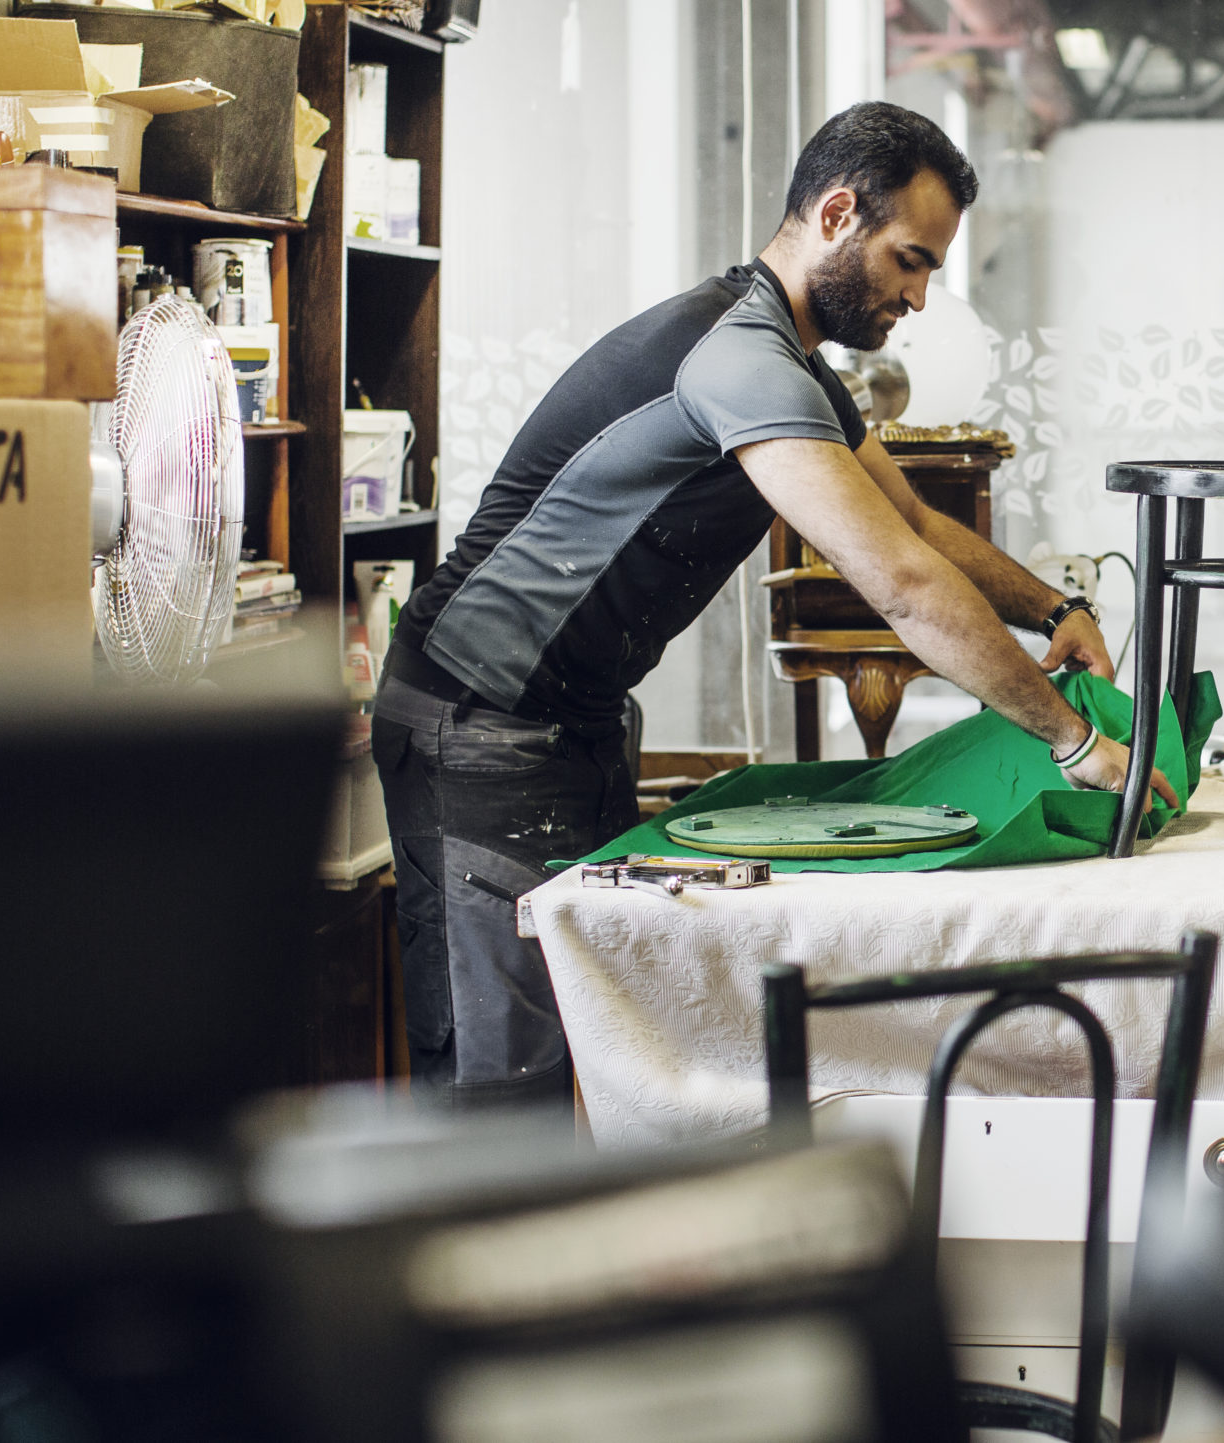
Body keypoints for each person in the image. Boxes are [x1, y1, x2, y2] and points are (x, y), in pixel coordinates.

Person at [371, 102, 1177, 1106]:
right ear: (838, 214)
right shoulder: (734, 357)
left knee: (595, 1052)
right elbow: (903, 585)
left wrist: (1053, 609)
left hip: (572, 722)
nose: (919, 298)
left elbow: (918, 526)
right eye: (911, 260)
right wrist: (1069, 742)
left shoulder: (793, 367)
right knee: (503, 1083)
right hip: (475, 728)